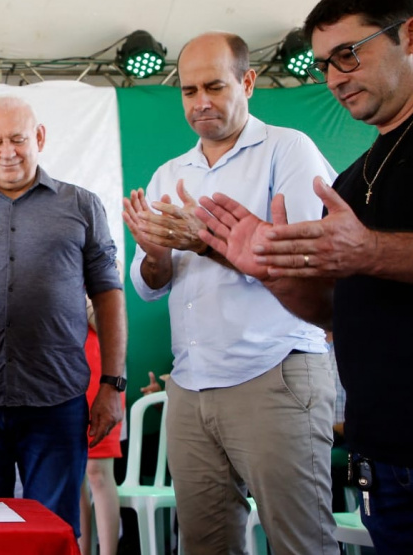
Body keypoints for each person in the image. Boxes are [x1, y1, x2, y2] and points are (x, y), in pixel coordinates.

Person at [194, 1, 413, 551]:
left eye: (348, 54)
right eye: (324, 64)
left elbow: (370, 257)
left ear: (411, 35)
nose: (335, 78)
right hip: (388, 459)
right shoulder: (357, 173)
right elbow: (339, 309)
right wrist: (270, 274)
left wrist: (371, 251)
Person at [123, 32, 338, 554]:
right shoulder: (169, 173)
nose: (200, 103)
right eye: (188, 90)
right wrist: (153, 251)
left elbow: (305, 262)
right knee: (204, 543)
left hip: (274, 372)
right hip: (192, 384)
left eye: (214, 87)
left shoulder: (288, 150)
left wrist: (205, 243)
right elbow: (149, 286)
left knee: (299, 541)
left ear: (247, 82)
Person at [0, 95, 127, 537]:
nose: (7, 151)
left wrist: (113, 385)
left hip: (56, 401)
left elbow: (109, 294)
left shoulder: (82, 205)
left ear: (39, 137)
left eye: (18, 139)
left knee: (55, 531)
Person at [79, 267, 127, 555]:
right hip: (61, 371)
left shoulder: (103, 261)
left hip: (101, 371)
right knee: (72, 477)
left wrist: (82, 303)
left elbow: (110, 321)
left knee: (97, 471)